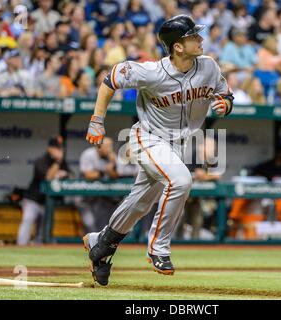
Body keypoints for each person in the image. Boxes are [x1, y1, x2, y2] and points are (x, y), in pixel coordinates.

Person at [82, 14, 233, 286]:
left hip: (179, 144)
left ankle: (101, 244)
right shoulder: (153, 72)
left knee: (140, 202)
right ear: (177, 46)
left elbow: (225, 93)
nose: (200, 39)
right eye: (193, 36)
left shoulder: (209, 66)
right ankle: (158, 249)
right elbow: (111, 78)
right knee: (181, 180)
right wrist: (96, 120)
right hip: (147, 138)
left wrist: (225, 104)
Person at [17, 137, 72, 246]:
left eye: (60, 148)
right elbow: (48, 177)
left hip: (46, 203)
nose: (59, 151)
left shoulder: (63, 162)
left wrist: (65, 173)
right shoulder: (41, 161)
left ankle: (38, 253)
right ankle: (20, 247)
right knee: (27, 221)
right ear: (50, 148)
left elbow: (71, 175)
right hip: (33, 200)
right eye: (56, 148)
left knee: (42, 231)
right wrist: (57, 162)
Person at [77, 137, 119, 234]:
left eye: (110, 146)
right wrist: (104, 170)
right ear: (99, 146)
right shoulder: (88, 154)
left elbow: (115, 176)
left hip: (99, 197)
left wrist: (114, 163)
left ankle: (96, 243)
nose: (109, 149)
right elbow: (88, 175)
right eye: (107, 146)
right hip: (83, 195)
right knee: (90, 223)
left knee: (103, 225)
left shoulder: (112, 157)